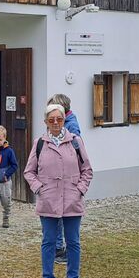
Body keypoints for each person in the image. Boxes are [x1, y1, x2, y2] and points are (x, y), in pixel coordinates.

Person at [24, 104, 93, 278]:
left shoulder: (75, 142)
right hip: (48, 200)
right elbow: (29, 172)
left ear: (64, 120)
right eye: (51, 119)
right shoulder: (39, 143)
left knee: (73, 242)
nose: (55, 122)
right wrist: (39, 189)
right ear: (45, 121)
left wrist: (79, 190)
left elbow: (87, 170)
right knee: (48, 241)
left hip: (72, 199)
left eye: (59, 119)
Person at [46, 93, 81, 264]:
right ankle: (58, 248)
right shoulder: (60, 122)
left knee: (63, 215)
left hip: (66, 177)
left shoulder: (71, 126)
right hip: (55, 176)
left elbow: (74, 151)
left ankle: (61, 250)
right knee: (56, 214)